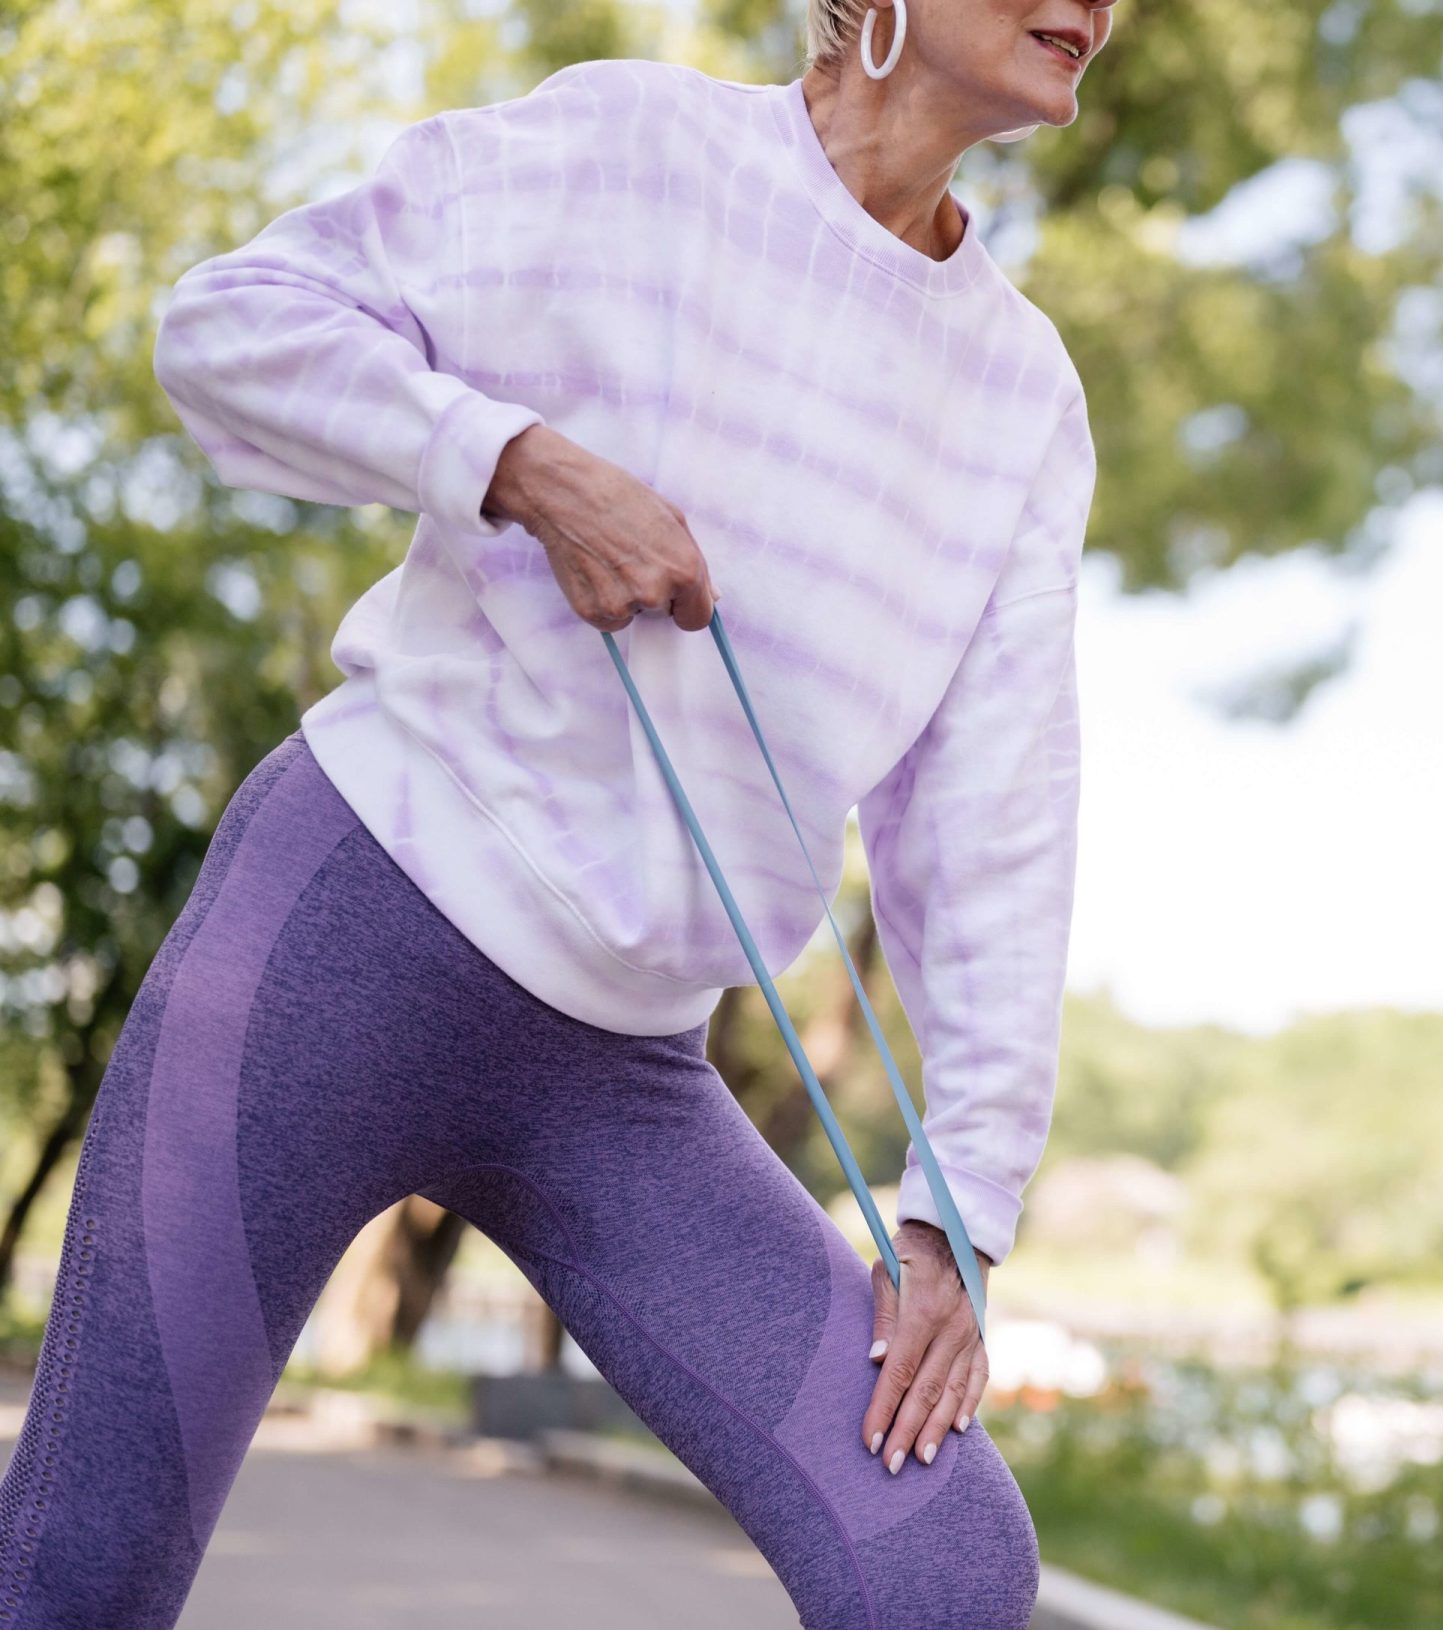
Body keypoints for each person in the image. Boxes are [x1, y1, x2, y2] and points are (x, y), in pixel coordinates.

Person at [0, 0, 1116, 1623]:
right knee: (77, 1573)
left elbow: (997, 814)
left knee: (936, 1563)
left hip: (627, 1073)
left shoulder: (1024, 399)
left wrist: (965, 1204)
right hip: (342, 932)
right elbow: (231, 326)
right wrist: (516, 462)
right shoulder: (633, 151)